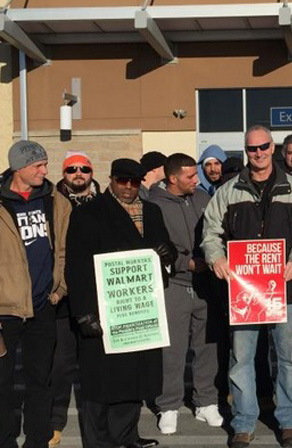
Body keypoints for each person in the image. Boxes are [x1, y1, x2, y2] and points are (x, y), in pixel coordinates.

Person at [201, 125, 292, 448]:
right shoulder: (228, 190)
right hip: (244, 291)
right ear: (245, 151)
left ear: (272, 147)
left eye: (263, 147)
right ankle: (244, 422)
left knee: (288, 358)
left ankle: (290, 421)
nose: (259, 153)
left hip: (285, 287)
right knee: (242, 359)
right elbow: (210, 232)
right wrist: (216, 258)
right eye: (252, 149)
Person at [65, 158, 176, 448]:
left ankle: (126, 436)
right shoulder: (88, 213)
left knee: (135, 379)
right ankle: (99, 441)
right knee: (101, 382)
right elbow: (76, 266)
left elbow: (168, 254)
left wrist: (168, 255)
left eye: (134, 182)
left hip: (140, 308)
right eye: (122, 181)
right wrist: (84, 312)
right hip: (103, 310)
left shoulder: (151, 211)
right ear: (111, 179)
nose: (128, 187)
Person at [0, 141, 71, 448]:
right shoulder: (3, 203)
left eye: (45, 164)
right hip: (5, 311)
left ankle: (37, 440)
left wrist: (59, 291)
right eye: (38, 166)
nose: (45, 171)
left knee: (41, 380)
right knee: (2, 383)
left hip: (43, 306)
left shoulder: (56, 202)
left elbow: (67, 251)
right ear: (19, 169)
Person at [146, 153, 222, 434]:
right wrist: (183, 262)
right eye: (190, 176)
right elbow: (154, 243)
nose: (196, 179)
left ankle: (206, 402)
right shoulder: (154, 205)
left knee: (207, 346)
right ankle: (168, 406)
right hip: (174, 285)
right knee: (172, 349)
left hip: (206, 285)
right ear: (173, 178)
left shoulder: (203, 198)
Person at [51, 151, 100, 446]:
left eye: (84, 168)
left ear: (92, 172)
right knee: (60, 363)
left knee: (94, 363)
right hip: (63, 297)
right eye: (72, 169)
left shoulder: (104, 202)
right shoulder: (52, 202)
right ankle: (55, 421)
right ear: (64, 173)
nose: (78, 173)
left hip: (95, 295)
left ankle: (98, 425)